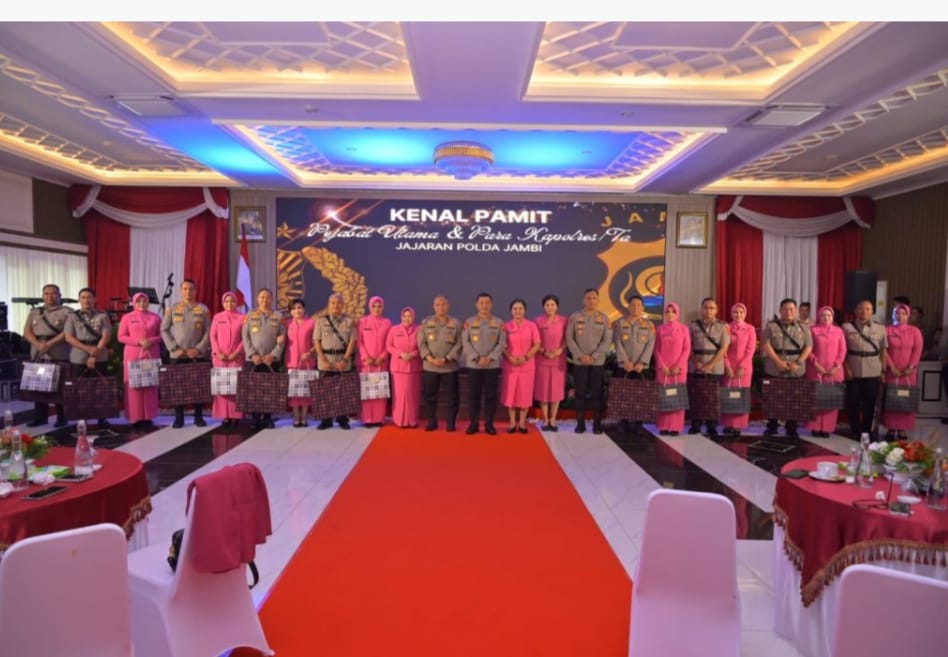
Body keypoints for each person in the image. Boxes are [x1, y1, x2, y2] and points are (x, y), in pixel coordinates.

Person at [160, 278, 210, 428]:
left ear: (195, 291)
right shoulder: (173, 309)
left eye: (191, 289)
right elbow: (164, 329)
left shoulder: (203, 309)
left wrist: (198, 349)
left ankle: (198, 416)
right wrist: (174, 348)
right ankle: (179, 417)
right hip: (178, 354)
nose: (188, 292)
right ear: (181, 291)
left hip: (197, 354)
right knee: (178, 386)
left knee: (198, 386)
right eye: (185, 289)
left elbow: (208, 332)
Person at [761, 298, 812, 439]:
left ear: (796, 311)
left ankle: (792, 427)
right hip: (774, 366)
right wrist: (778, 362)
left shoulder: (803, 327)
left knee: (794, 399)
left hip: (796, 368)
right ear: (780, 310)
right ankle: (772, 427)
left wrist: (798, 362)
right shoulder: (771, 326)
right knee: (773, 398)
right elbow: (766, 345)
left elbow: (808, 346)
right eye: (785, 309)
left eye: (791, 309)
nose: (788, 312)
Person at [63, 287, 112, 429]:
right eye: (83, 297)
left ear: (95, 299)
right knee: (80, 388)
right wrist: (87, 349)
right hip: (79, 356)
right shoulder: (72, 316)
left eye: (89, 297)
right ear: (79, 300)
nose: (86, 300)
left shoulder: (102, 315)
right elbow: (68, 337)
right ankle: (81, 417)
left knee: (100, 387)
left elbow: (106, 335)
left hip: (99, 354)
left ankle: (102, 418)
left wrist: (95, 352)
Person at [23, 283, 71, 427]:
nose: (50, 296)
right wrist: (38, 345)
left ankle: (62, 417)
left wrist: (48, 344)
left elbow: (67, 333)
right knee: (38, 386)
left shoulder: (67, 312)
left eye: (53, 293)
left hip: (58, 352)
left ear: (59, 295)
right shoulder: (34, 312)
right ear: (42, 296)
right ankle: (40, 417)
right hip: (38, 353)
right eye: (47, 293)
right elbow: (27, 331)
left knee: (59, 387)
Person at [566, 288, 612, 434]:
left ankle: (597, 424)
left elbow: (607, 340)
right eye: (588, 298)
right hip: (579, 362)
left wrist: (593, 357)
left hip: (597, 363)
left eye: (593, 298)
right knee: (579, 393)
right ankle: (580, 423)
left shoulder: (604, 318)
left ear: (598, 301)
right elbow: (569, 338)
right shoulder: (574, 317)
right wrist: (580, 356)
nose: (591, 301)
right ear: (583, 300)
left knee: (596, 394)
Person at [241, 288, 286, 430]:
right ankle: (255, 418)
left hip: (271, 360)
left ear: (271, 299)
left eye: (267, 297)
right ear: (257, 299)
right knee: (254, 390)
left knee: (269, 390)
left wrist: (273, 355)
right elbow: (245, 337)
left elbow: (282, 339)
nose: (264, 300)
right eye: (262, 297)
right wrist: (252, 354)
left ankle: (268, 418)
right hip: (253, 359)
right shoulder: (249, 315)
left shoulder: (278, 316)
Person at [461, 292, 506, 435]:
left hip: (491, 366)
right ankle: (473, 424)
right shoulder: (469, 322)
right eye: (481, 303)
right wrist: (477, 357)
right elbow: (465, 342)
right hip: (474, 365)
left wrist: (490, 357)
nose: (484, 305)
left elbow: (502, 343)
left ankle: (489, 424)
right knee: (473, 396)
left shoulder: (498, 322)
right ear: (476, 305)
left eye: (487, 303)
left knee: (491, 396)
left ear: (491, 304)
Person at [843, 299, 888, 440]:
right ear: (855, 311)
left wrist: (883, 371)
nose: (864, 311)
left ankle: (866, 429)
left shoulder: (880, 328)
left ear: (872, 311)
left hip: (872, 369)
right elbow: (842, 350)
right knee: (853, 401)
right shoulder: (846, 327)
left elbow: (883, 351)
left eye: (868, 309)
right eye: (861, 308)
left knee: (870, 402)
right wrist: (846, 367)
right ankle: (854, 429)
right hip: (853, 369)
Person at [417, 295, 463, 432]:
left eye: (443, 305)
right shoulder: (426, 322)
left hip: (449, 367)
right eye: (437, 305)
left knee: (452, 397)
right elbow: (421, 343)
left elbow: (460, 344)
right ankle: (432, 421)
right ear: (433, 306)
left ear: (448, 306)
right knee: (430, 396)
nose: (440, 307)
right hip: (430, 367)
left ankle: (451, 423)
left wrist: (447, 359)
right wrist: (430, 359)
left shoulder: (456, 323)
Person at [117, 292, 162, 429]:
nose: (142, 304)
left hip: (150, 353)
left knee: (150, 385)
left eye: (144, 301)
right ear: (134, 303)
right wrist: (138, 341)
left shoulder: (155, 317)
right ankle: (135, 417)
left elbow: (162, 335)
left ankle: (148, 417)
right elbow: (121, 336)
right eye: (138, 301)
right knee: (133, 386)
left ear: (148, 302)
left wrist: (151, 341)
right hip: (133, 355)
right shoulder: (127, 317)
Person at [611, 294, 655, 435]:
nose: (636, 307)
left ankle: (638, 424)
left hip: (641, 367)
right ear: (628, 307)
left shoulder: (649, 325)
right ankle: (622, 422)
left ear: (642, 308)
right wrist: (625, 361)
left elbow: (650, 344)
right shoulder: (619, 324)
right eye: (633, 305)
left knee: (640, 396)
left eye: (639, 305)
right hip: (624, 366)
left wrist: (642, 362)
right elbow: (617, 342)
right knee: (623, 395)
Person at [687, 297, 729, 438]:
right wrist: (696, 363)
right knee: (697, 396)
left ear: (716, 310)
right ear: (701, 309)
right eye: (705, 307)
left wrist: (710, 365)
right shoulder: (693, 326)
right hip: (696, 365)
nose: (708, 310)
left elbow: (724, 348)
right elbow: (688, 346)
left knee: (713, 398)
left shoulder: (723, 326)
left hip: (715, 367)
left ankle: (712, 427)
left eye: (712, 308)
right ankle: (696, 425)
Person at [314, 292, 357, 430]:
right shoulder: (321, 321)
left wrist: (345, 359)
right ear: (329, 305)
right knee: (325, 391)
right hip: (326, 360)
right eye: (333, 303)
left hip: (343, 360)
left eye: (338, 303)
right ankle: (326, 420)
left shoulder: (349, 321)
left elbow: (352, 341)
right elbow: (316, 340)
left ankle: (342, 419)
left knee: (343, 392)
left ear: (343, 305)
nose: (336, 306)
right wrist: (322, 359)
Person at [882, 303, 923, 440]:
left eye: (904, 313)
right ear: (893, 315)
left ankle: (903, 428)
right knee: (891, 399)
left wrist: (911, 367)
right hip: (892, 372)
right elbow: (884, 351)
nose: (900, 316)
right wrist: (891, 367)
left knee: (905, 398)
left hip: (908, 373)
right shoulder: (887, 330)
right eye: (897, 313)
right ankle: (891, 427)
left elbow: (917, 351)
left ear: (908, 316)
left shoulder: (915, 331)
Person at [805, 305, 846, 438]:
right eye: (823, 315)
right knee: (815, 399)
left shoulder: (839, 331)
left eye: (828, 315)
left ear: (832, 317)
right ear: (819, 317)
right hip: (815, 369)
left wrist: (837, 365)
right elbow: (808, 349)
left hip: (834, 371)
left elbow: (842, 350)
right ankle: (815, 427)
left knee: (830, 400)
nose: (826, 318)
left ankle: (827, 428)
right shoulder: (812, 330)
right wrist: (815, 363)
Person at [501, 299, 540, 434]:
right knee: (511, 395)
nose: (517, 311)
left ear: (525, 310)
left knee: (525, 395)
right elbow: (501, 345)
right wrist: (510, 358)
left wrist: (526, 357)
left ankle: (522, 423)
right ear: (511, 311)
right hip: (510, 365)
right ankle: (512, 423)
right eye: (515, 308)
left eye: (520, 308)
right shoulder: (505, 326)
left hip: (527, 365)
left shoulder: (531, 325)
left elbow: (537, 344)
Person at [654, 302, 690, 436]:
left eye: (673, 311)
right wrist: (662, 365)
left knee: (677, 396)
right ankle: (663, 426)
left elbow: (686, 349)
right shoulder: (660, 329)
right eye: (667, 312)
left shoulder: (684, 329)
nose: (670, 314)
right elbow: (656, 349)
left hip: (678, 370)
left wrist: (678, 366)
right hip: (663, 369)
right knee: (663, 396)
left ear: (677, 313)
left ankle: (675, 426)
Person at [209, 291, 244, 427]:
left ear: (236, 303)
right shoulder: (217, 317)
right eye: (227, 301)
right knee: (222, 387)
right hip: (220, 358)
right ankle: (224, 415)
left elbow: (245, 337)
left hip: (236, 357)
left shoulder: (242, 317)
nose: (230, 304)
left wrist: (236, 352)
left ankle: (236, 415)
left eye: (232, 301)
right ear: (223, 303)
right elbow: (212, 336)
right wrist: (217, 352)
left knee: (235, 386)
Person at [721, 302, 755, 437]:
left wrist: (743, 366)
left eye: (741, 312)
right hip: (728, 368)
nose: (738, 315)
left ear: (745, 314)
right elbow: (723, 349)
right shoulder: (726, 328)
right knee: (728, 395)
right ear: (732, 313)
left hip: (744, 369)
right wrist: (727, 366)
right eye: (736, 312)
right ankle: (727, 424)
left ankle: (738, 425)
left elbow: (750, 350)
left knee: (741, 395)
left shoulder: (750, 329)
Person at [357, 296, 392, 427]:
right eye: (374, 306)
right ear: (369, 307)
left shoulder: (387, 322)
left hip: (380, 362)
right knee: (367, 391)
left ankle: (379, 418)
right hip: (367, 363)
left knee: (379, 390)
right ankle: (367, 419)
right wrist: (366, 357)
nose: (376, 309)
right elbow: (359, 342)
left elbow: (389, 342)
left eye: (379, 306)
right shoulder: (363, 321)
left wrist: (382, 357)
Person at [534, 294, 567, 432]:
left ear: (557, 306)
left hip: (558, 360)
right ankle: (545, 419)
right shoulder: (538, 321)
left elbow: (567, 339)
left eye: (552, 304)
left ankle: (553, 418)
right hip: (542, 359)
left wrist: (559, 351)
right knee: (543, 390)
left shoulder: (564, 321)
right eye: (547, 305)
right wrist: (543, 351)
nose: (550, 307)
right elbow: (534, 340)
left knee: (556, 390)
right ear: (543, 306)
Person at [386, 306, 422, 428]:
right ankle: (399, 420)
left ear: (413, 317)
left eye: (410, 316)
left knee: (412, 395)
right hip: (398, 368)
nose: (407, 318)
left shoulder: (419, 329)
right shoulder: (394, 329)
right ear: (401, 317)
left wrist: (413, 354)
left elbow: (423, 347)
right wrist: (400, 354)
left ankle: (412, 420)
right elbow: (388, 346)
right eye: (405, 316)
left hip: (413, 367)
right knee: (399, 395)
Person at [285, 298, 316, 428]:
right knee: (294, 392)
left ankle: (304, 417)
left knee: (305, 392)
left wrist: (310, 352)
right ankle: (296, 416)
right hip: (292, 362)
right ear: (290, 311)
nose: (297, 310)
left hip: (307, 362)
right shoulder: (287, 324)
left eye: (299, 308)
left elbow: (317, 342)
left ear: (304, 309)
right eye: (293, 308)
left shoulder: (312, 323)